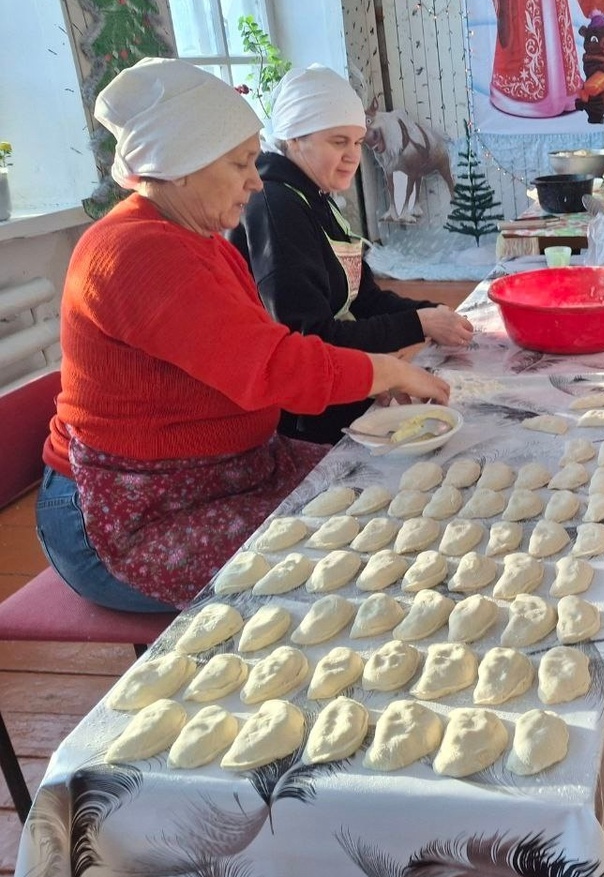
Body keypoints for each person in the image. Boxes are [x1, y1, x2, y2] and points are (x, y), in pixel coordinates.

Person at [36, 58, 450, 615]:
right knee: (352, 562)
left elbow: (259, 347)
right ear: (180, 167)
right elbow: (271, 367)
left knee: (399, 496)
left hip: (227, 472)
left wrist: (366, 378)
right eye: (241, 164)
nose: (256, 181)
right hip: (134, 511)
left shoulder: (196, 238)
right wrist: (388, 370)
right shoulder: (136, 253)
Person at [229, 64, 473, 444]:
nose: (352, 156)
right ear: (295, 139)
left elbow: (365, 297)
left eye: (358, 142)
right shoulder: (276, 208)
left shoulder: (318, 197)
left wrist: (435, 314)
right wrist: (417, 325)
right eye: (338, 141)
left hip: (345, 388)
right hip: (309, 422)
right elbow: (308, 337)